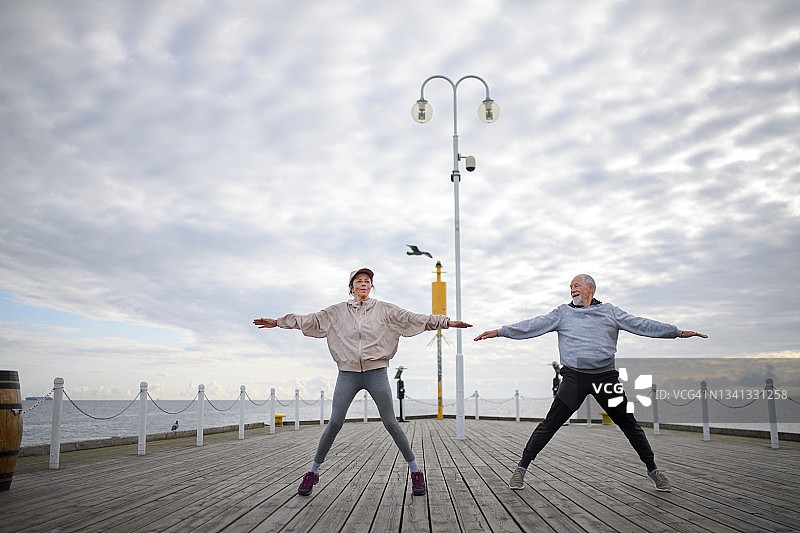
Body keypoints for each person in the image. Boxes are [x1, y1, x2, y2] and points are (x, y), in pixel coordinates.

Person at [474, 274, 707, 492]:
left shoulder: (609, 311)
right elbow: (534, 324)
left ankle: (653, 469)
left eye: (577, 285)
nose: (572, 290)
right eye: (570, 287)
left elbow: (641, 324)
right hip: (575, 377)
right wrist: (500, 331)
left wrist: (676, 332)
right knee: (550, 424)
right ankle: (521, 468)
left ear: (590, 288)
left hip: (605, 377)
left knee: (630, 425)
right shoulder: (562, 313)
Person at [254, 267, 472, 497]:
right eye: (359, 281)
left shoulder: (385, 310)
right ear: (351, 287)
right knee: (335, 422)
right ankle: (313, 471)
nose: (363, 284)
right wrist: (278, 322)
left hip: (376, 371)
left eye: (367, 281)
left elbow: (413, 319)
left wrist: (446, 322)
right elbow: (309, 320)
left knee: (390, 422)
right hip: (347, 373)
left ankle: (415, 470)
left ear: (371, 286)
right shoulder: (336, 312)